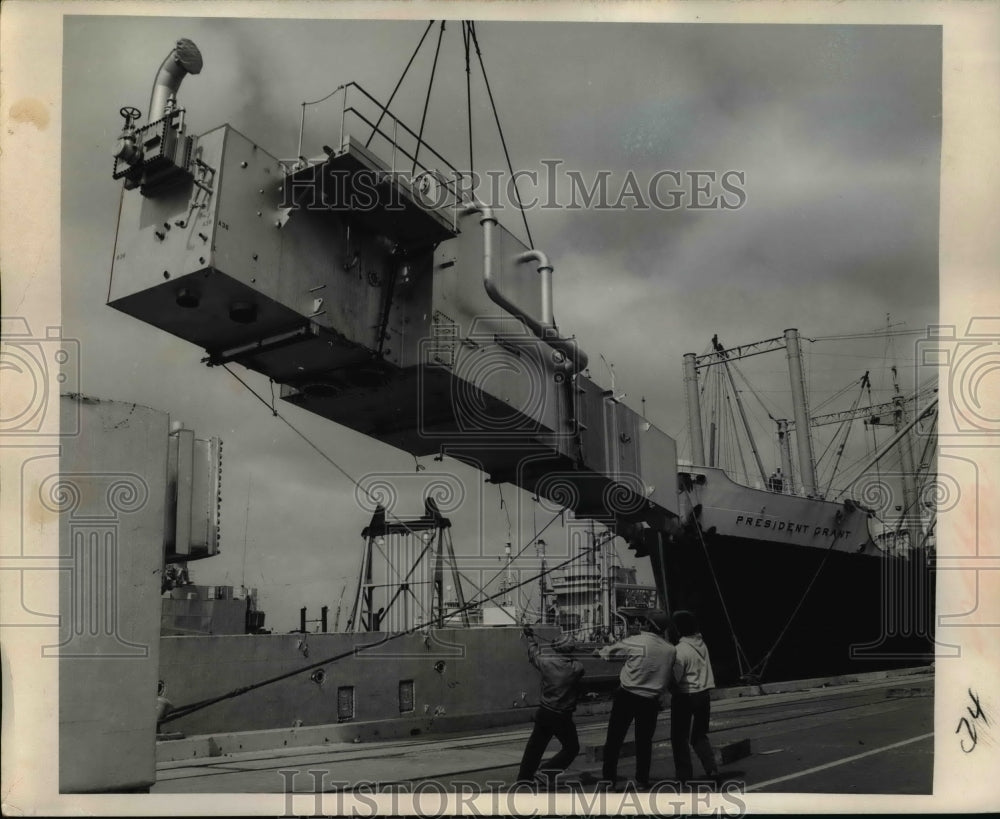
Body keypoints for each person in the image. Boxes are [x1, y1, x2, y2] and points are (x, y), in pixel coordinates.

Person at [596, 611, 675, 789]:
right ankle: (642, 780)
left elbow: (608, 654)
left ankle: (609, 781)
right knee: (644, 742)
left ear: (649, 625)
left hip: (627, 696)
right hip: (650, 701)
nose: (641, 623)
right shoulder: (671, 650)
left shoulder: (636, 641)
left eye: (644, 621)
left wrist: (600, 652)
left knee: (614, 740)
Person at [515, 627, 585, 788]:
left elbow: (533, 654)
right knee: (572, 748)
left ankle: (524, 778)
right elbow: (578, 666)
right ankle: (547, 772)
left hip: (545, 711)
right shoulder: (577, 668)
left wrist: (531, 638)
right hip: (562, 716)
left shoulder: (546, 663)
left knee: (535, 747)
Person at [669, 610, 720, 786]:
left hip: (685, 695)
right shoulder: (702, 644)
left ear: (678, 629)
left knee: (679, 737)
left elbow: (675, 677)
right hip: (704, 694)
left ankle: (684, 776)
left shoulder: (680, 650)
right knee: (699, 735)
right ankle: (711, 768)